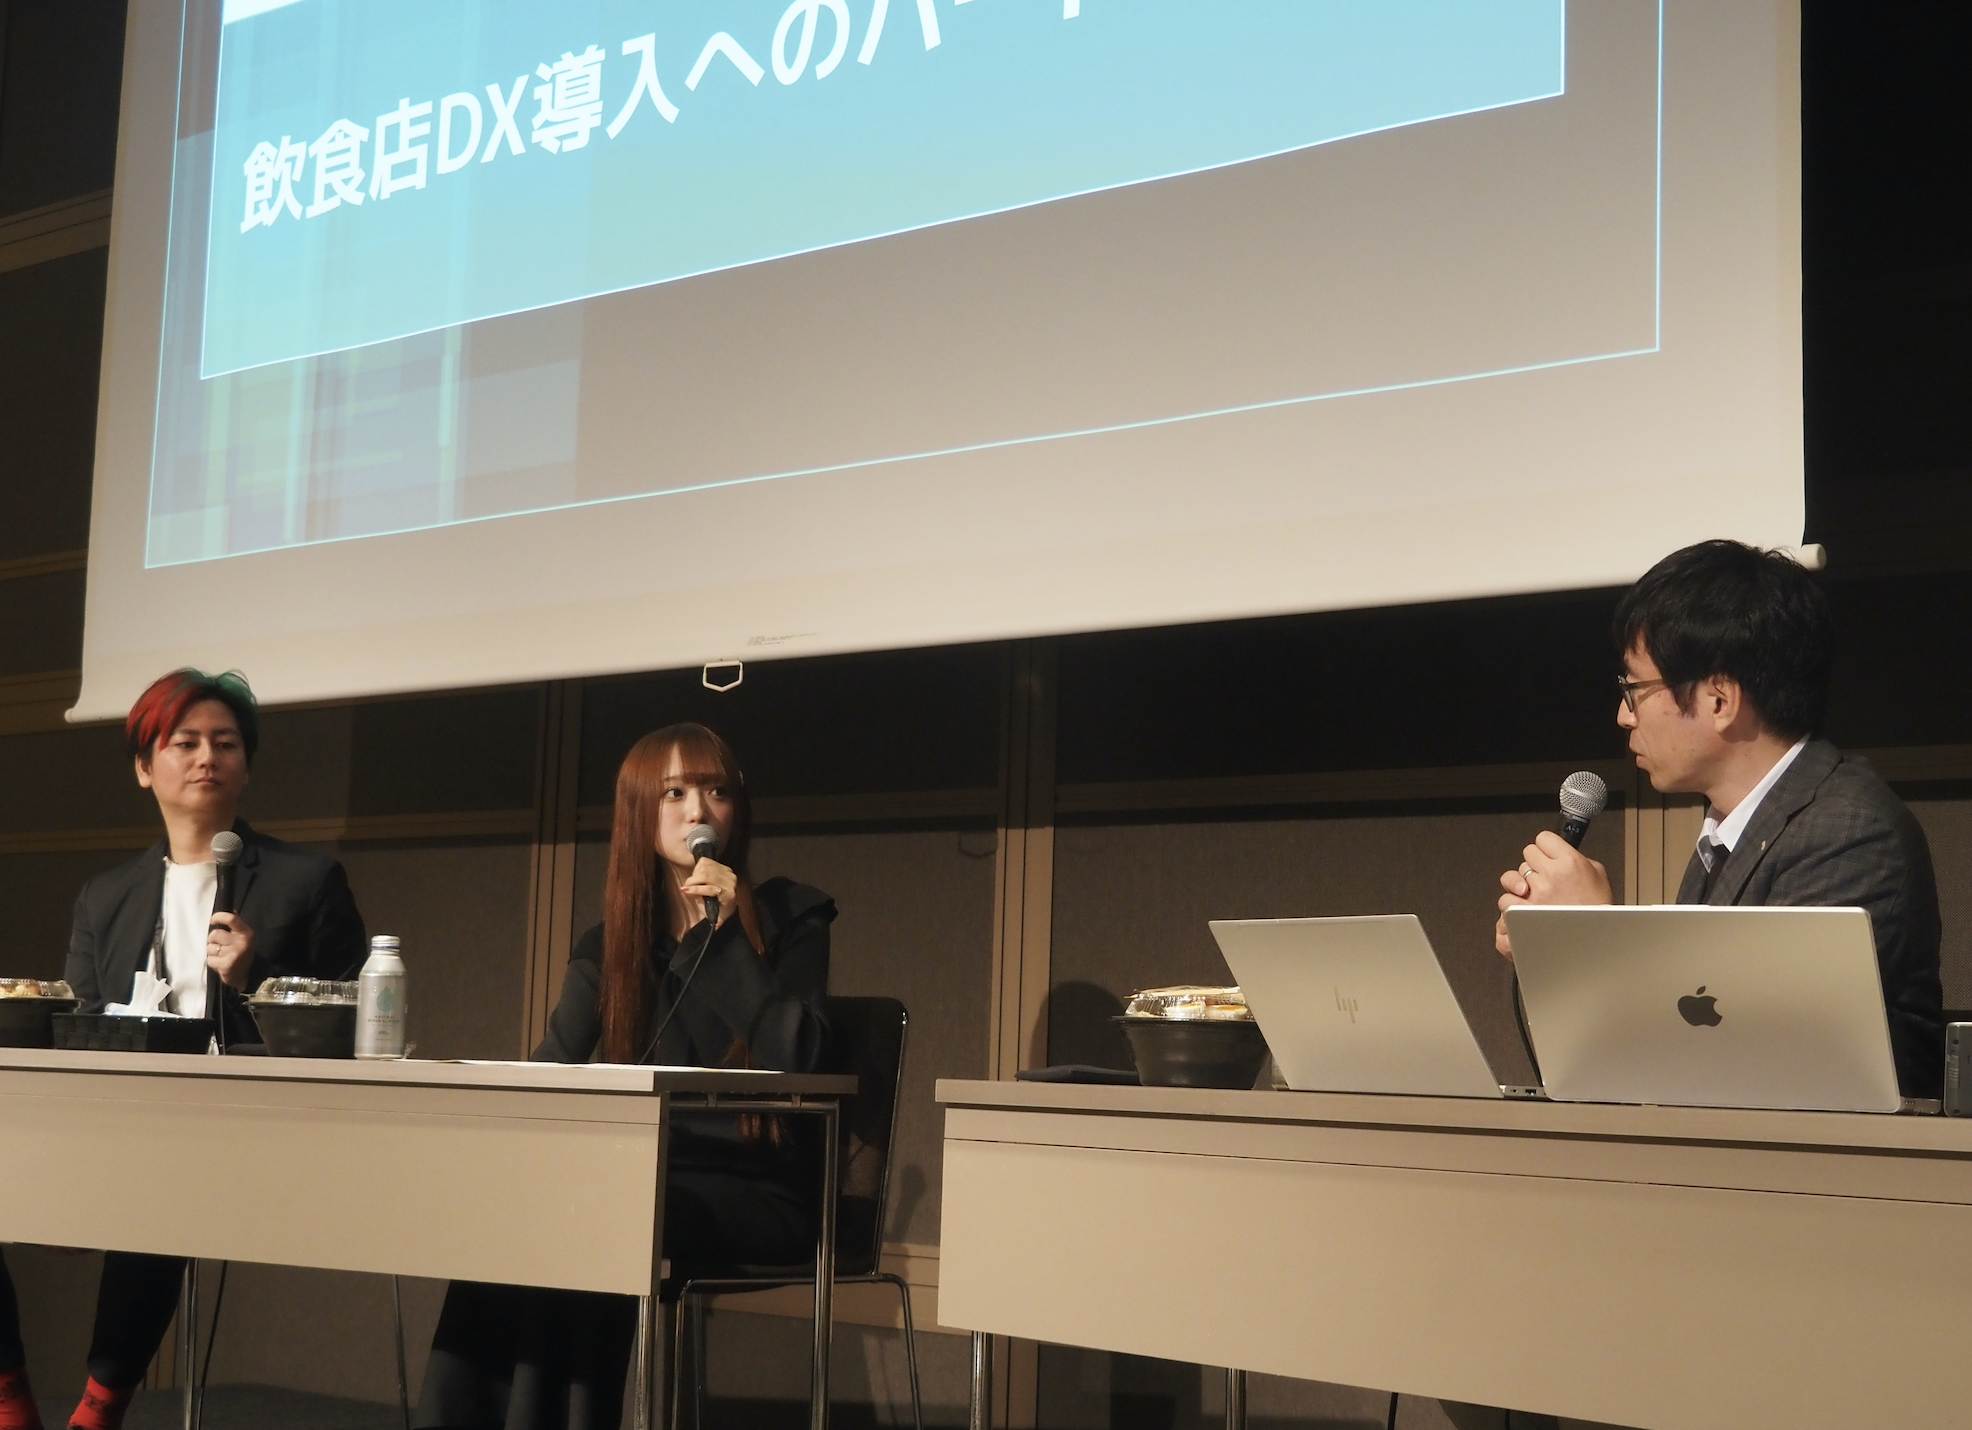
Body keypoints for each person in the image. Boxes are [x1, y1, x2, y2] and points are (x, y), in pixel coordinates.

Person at [415, 723, 834, 1430]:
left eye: (717, 791)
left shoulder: (794, 915)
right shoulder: (613, 943)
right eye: (674, 793)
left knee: (597, 1204)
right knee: (513, 1201)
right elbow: (553, 1065)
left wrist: (724, 939)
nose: (699, 810)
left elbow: (803, 1054)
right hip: (636, 1177)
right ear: (639, 811)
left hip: (758, 1186)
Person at [1493, 539, 1945, 1096]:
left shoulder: (1850, 835)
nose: (1623, 716)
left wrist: (1593, 939)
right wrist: (1556, 955)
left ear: (1719, 700)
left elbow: (1759, 1061)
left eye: (1635, 689)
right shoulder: (1732, 831)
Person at [53, 669, 368, 1430]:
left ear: (246, 767)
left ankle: (98, 1407)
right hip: (121, 1117)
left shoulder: (306, 881)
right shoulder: (106, 895)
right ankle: (13, 1397)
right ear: (144, 767)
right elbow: (80, 1021)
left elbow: (356, 1020)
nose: (206, 758)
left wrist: (258, 977)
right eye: (184, 742)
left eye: (225, 744)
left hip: (249, 1124)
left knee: (161, 1173)